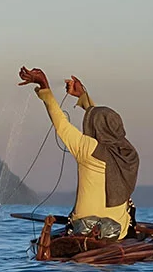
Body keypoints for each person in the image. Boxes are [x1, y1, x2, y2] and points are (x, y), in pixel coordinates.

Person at [18, 67, 140, 239]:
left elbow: (61, 123)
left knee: (79, 225)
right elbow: (103, 123)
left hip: (82, 225)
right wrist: (83, 97)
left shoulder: (88, 148)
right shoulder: (129, 155)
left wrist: (44, 85)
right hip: (116, 230)